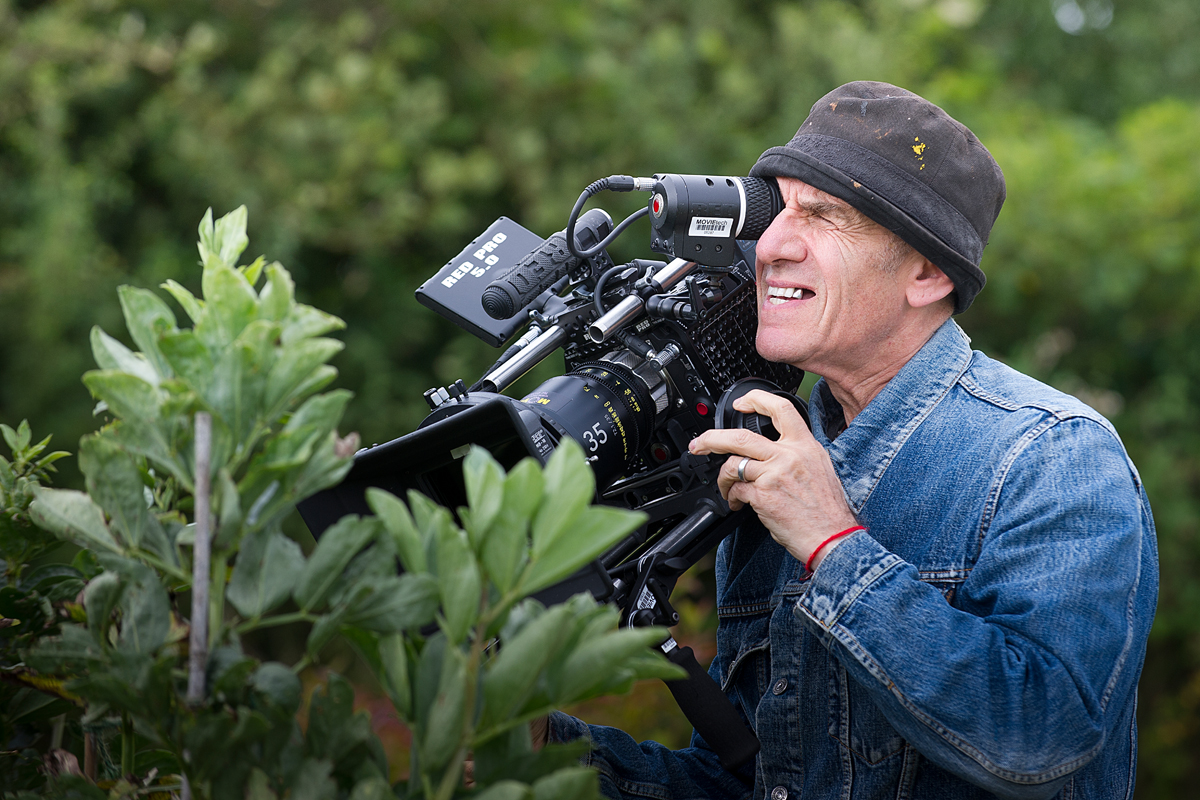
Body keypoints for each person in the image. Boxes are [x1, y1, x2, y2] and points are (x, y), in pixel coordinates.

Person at [543, 81, 1159, 799]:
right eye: (776, 210)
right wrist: (546, 754)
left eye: (823, 215)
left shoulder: (1054, 457)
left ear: (926, 273)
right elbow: (754, 781)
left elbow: (1041, 738)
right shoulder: (773, 456)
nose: (769, 245)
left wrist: (834, 547)